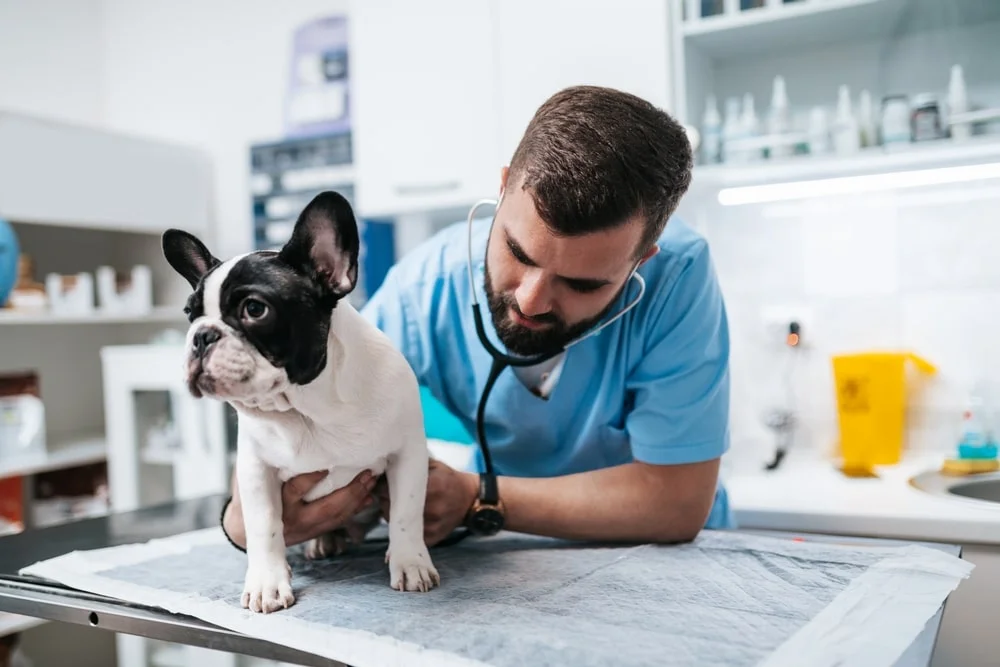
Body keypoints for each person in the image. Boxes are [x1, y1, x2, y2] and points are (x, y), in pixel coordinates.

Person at [222, 84, 734, 552]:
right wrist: (257, 513)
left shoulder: (679, 277)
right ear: (505, 188)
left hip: (662, 564)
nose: (532, 301)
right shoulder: (422, 291)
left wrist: (477, 497)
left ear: (641, 261)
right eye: (517, 252)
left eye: (582, 284)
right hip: (504, 560)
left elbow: (677, 500)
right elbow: (295, 395)